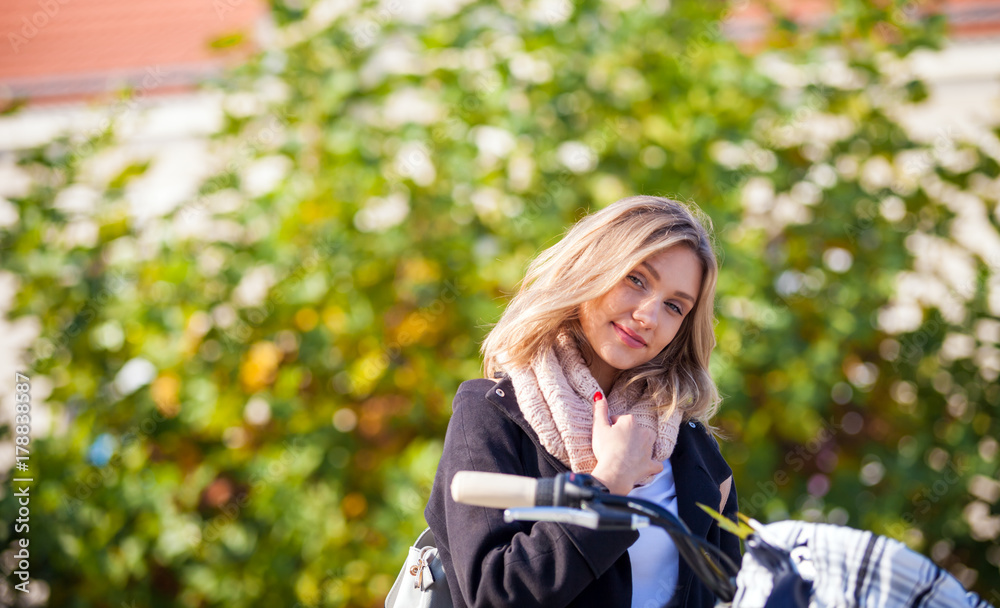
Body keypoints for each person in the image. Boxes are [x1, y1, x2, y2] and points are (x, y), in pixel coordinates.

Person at [425, 195, 741, 608]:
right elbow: (494, 594)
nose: (648, 316)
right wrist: (609, 482)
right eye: (636, 279)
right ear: (590, 269)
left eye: (674, 306)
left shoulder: (692, 448)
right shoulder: (491, 413)